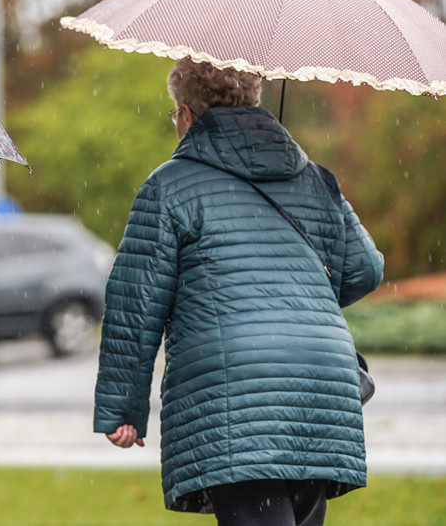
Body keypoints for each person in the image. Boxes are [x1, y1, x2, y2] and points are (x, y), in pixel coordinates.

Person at [94, 59, 384, 526]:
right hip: (320, 384)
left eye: (175, 116)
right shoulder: (315, 179)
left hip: (235, 390)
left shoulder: (169, 186)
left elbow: (136, 301)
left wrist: (122, 406)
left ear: (187, 115)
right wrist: (294, 296)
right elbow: (365, 270)